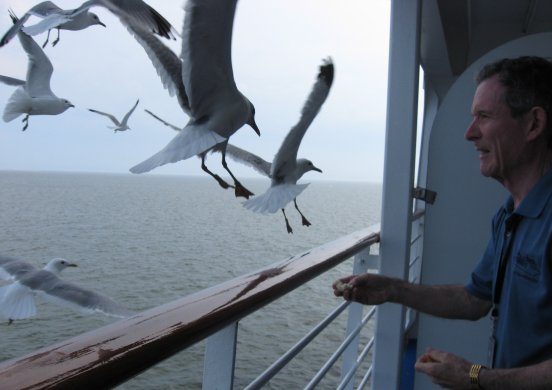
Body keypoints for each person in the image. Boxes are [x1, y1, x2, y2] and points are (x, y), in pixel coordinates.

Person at [333, 56, 552, 389]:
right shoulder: (510, 214)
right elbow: (474, 299)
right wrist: (394, 288)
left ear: (533, 124)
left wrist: (477, 378)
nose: (469, 133)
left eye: (484, 116)